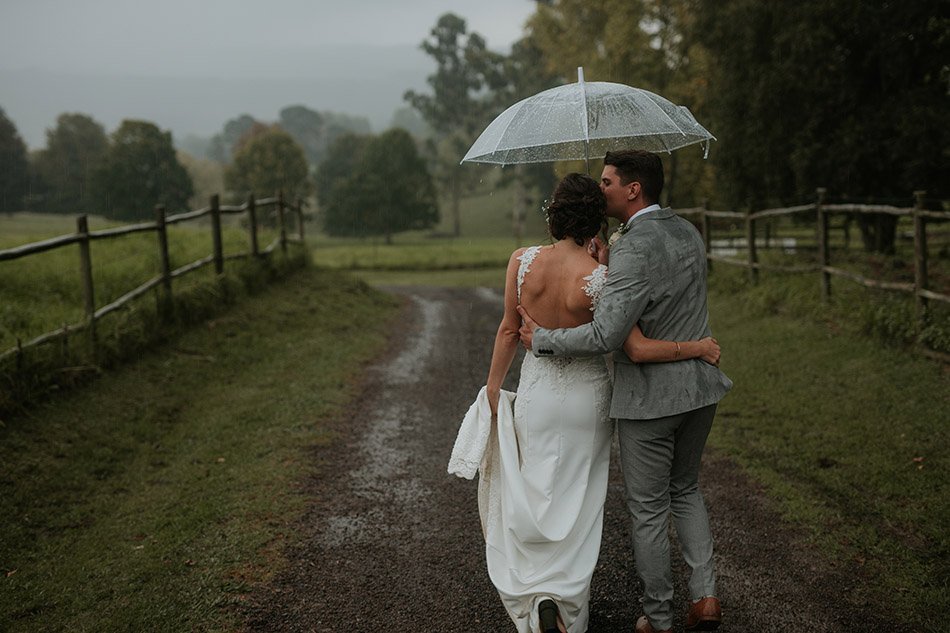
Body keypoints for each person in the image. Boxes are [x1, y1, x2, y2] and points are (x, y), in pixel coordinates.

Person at [473, 173, 721, 633]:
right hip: (588, 397)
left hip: (536, 394)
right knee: (578, 500)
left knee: (537, 488)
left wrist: (492, 389)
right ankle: (567, 604)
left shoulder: (521, 261)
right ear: (594, 220)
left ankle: (539, 594)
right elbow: (627, 343)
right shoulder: (602, 276)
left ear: (552, 215)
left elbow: (509, 330)